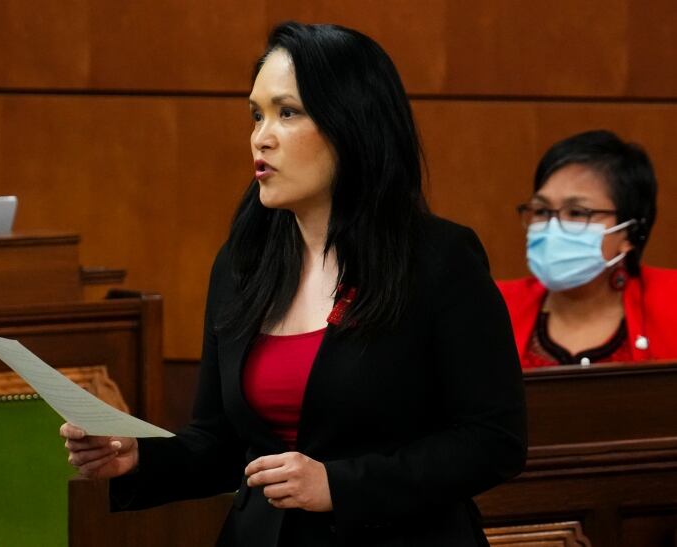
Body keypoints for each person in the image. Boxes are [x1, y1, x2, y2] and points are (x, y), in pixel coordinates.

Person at [61, 22, 527, 546]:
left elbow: (493, 440)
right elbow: (220, 444)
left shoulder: (439, 260)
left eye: (288, 113)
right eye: (256, 115)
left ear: (354, 123)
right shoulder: (242, 264)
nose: (262, 136)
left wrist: (340, 485)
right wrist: (139, 456)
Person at [498, 129, 677, 368]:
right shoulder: (493, 306)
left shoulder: (671, 302)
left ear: (629, 232)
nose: (553, 228)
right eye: (541, 211)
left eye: (577, 213)